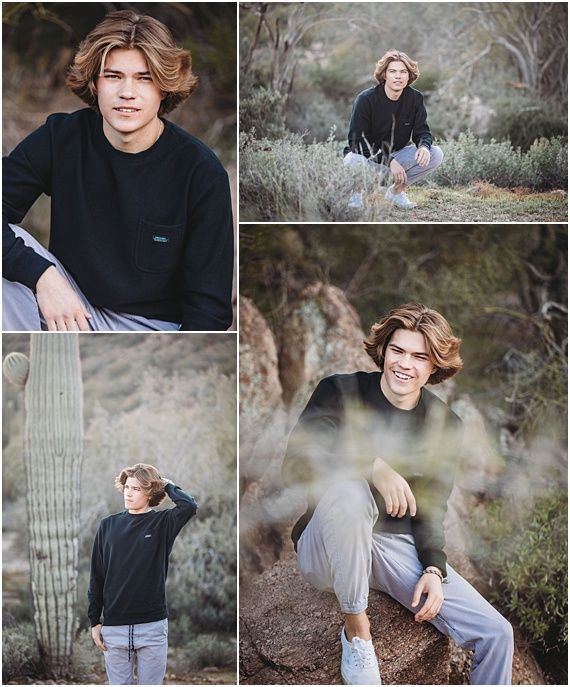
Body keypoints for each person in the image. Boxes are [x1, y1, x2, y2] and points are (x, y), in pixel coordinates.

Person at [282, 303, 514, 685]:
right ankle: (357, 631)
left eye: (420, 356)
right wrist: (371, 465)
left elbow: (431, 509)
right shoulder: (340, 391)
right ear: (384, 350)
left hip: (391, 547)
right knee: (350, 493)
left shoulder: (444, 426)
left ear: (435, 366)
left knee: (497, 634)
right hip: (327, 541)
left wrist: (434, 569)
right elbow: (294, 465)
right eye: (398, 351)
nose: (405, 364)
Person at [3, 10, 233, 331]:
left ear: (163, 87)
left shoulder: (200, 172)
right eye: (113, 76)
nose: (127, 92)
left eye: (144, 78)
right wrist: (43, 276)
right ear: (95, 83)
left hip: (152, 331)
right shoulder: (62, 138)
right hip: (69, 304)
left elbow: (209, 310)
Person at [88, 463, 197, 685]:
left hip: (152, 627)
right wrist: (94, 621)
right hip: (114, 628)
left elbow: (189, 506)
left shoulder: (162, 523)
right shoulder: (108, 526)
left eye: (137, 488)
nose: (128, 492)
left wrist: (166, 485)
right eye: (127, 486)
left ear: (150, 493)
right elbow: (97, 575)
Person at [343, 50, 443, 210]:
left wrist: (424, 146)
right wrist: (389, 161)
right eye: (393, 71)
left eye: (403, 72)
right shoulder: (365, 99)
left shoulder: (415, 99)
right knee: (352, 158)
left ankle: (396, 192)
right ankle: (355, 197)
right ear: (384, 75)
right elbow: (356, 142)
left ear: (409, 76)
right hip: (366, 161)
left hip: (396, 158)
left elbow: (422, 131)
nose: (398, 76)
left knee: (435, 153)